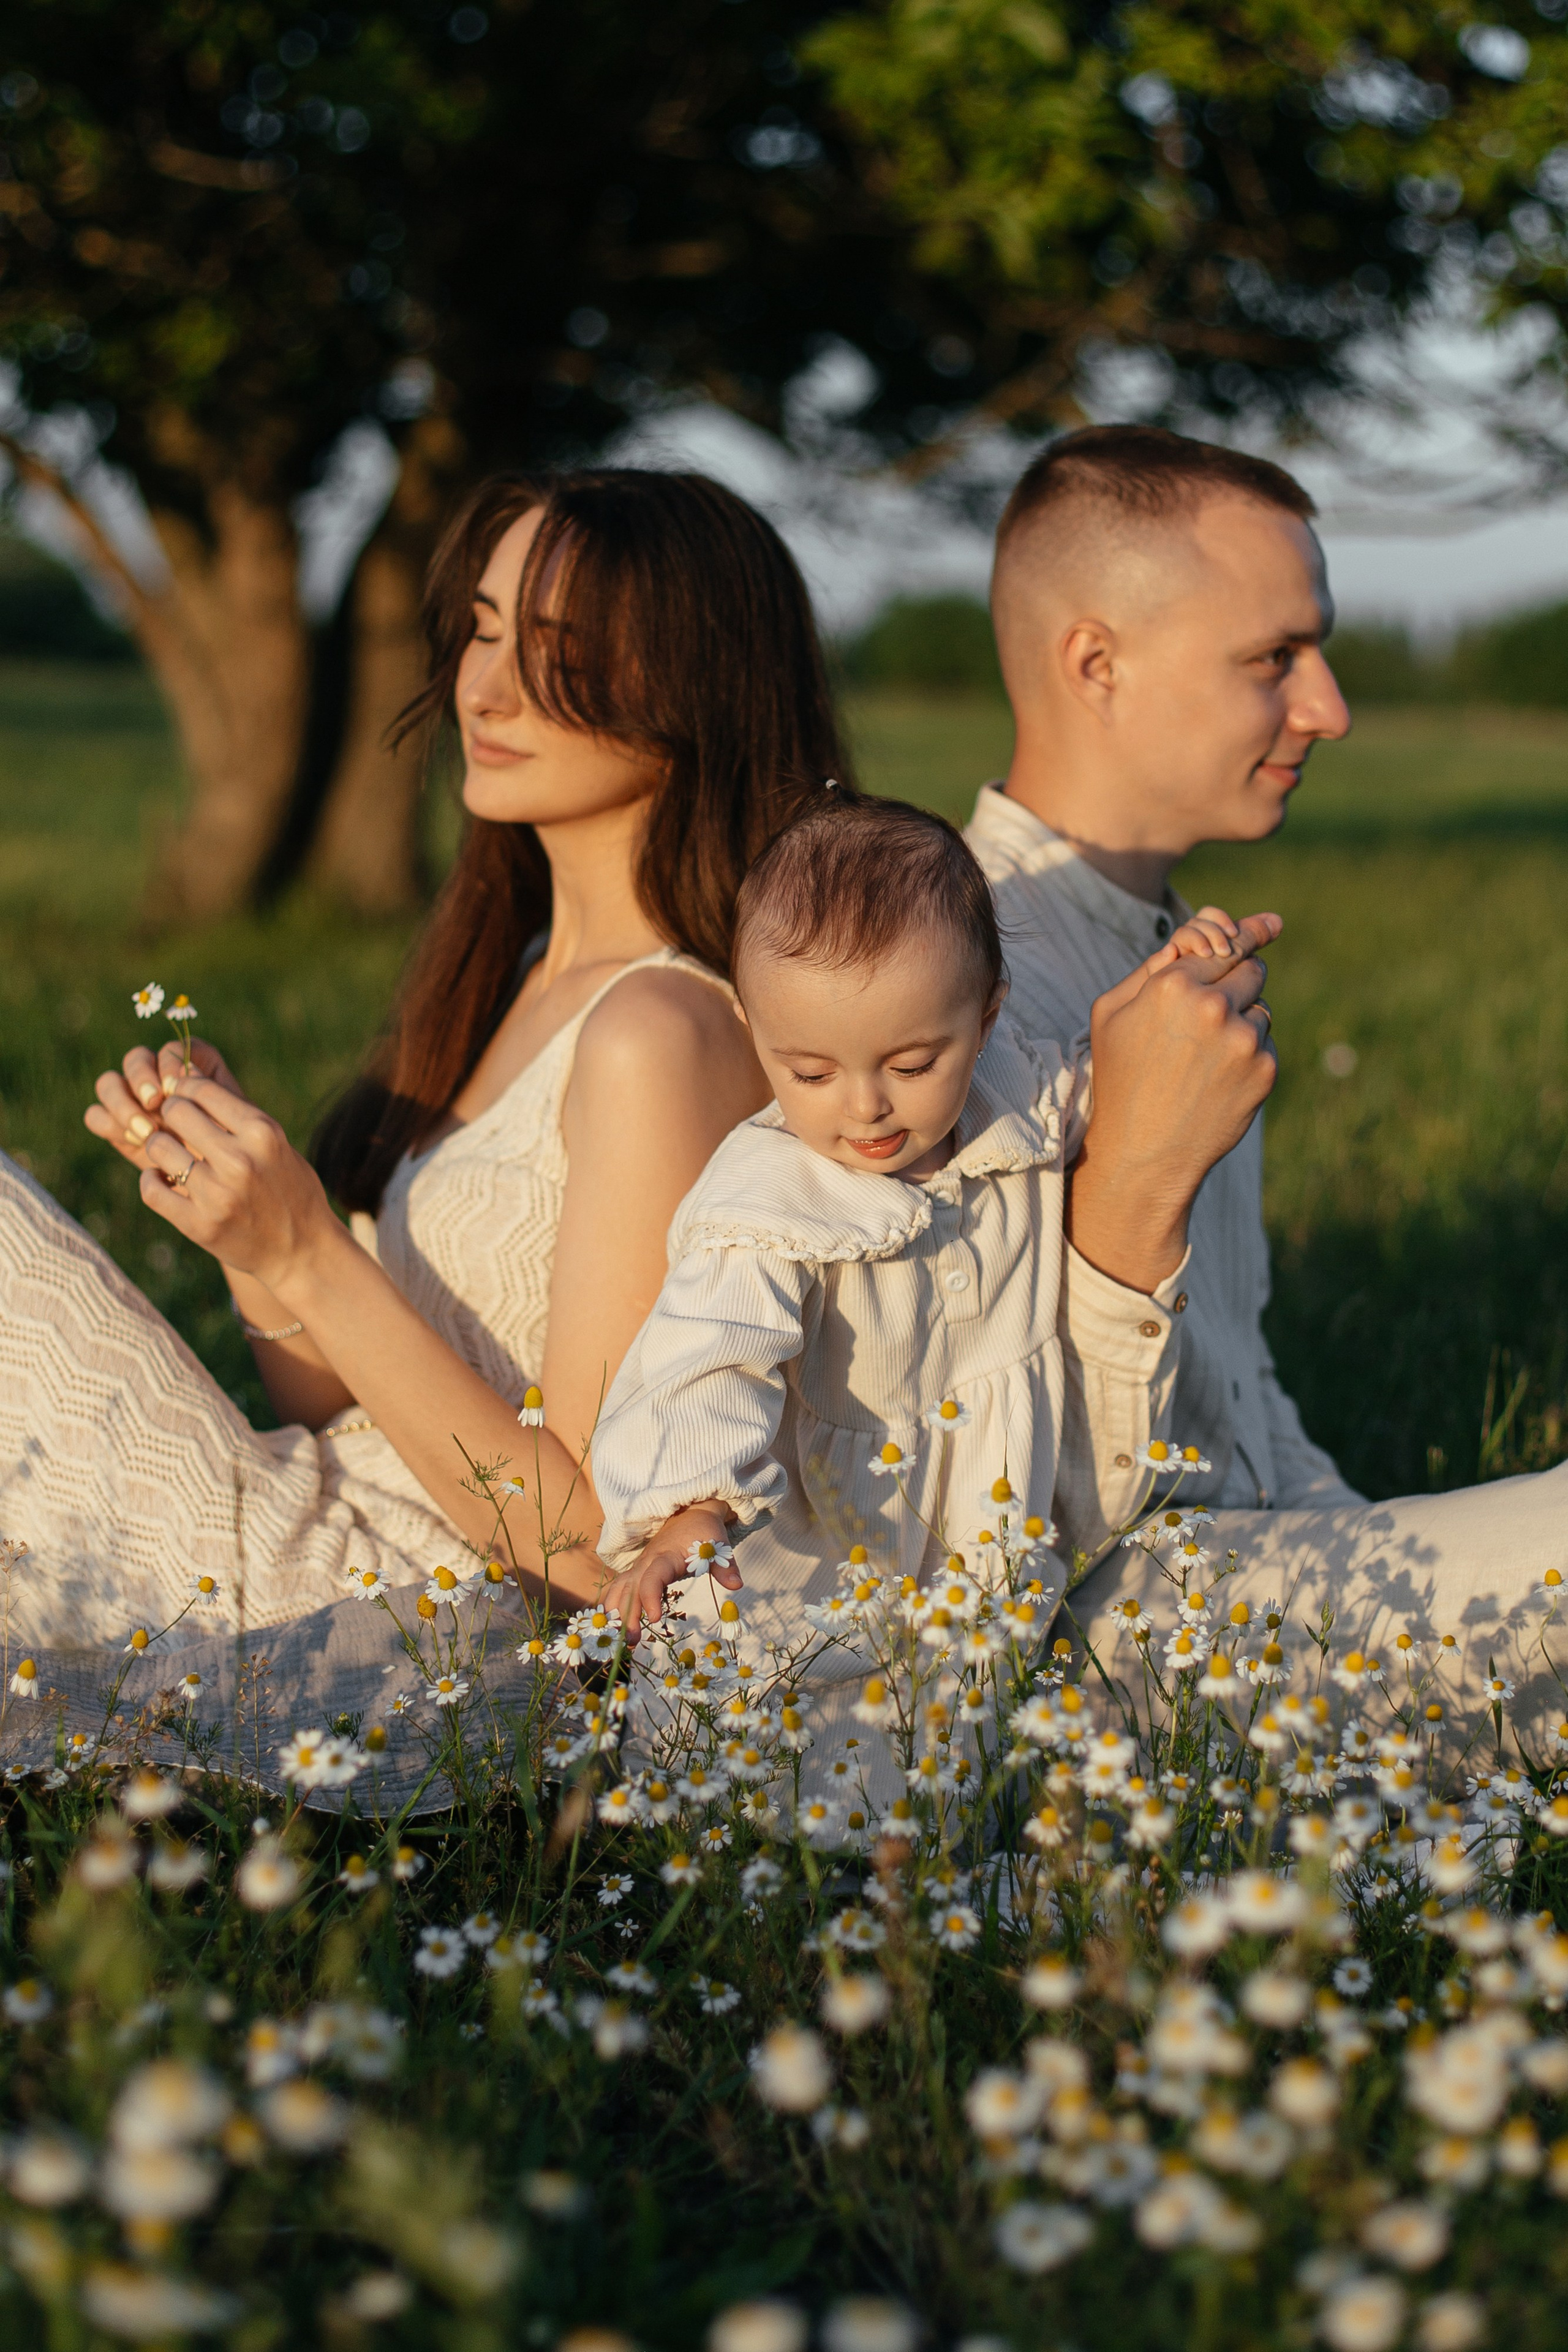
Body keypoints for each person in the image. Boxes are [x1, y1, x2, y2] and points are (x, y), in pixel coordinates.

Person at [0, 468, 843, 1669]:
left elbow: (595, 1541)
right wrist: (256, 1247)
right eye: (483, 630)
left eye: (551, 647)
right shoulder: (523, 973)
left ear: (699, 679)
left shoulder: (659, 1027)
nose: (483, 688)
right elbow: (342, 1414)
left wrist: (308, 1244)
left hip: (386, 1615)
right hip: (315, 1512)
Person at [969, 422, 1568, 1746]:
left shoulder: (1171, 956)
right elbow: (987, 1512)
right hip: (1094, 1653)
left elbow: (1233, 1391)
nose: (1330, 708)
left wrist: (1386, 1542)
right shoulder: (957, 993)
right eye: (1271, 659)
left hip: (1252, 1582)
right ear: (1095, 664)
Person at [591, 794, 1280, 1741]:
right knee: (812, 1755)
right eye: (810, 1072)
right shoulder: (764, 1208)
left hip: (985, 1560)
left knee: (960, 1750)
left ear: (988, 1013)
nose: (865, 1106)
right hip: (828, 1568)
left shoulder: (1018, 1104)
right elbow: (708, 1357)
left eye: (912, 1063)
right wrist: (691, 1512)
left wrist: (1172, 980)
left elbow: (1120, 1073)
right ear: (754, 1027)